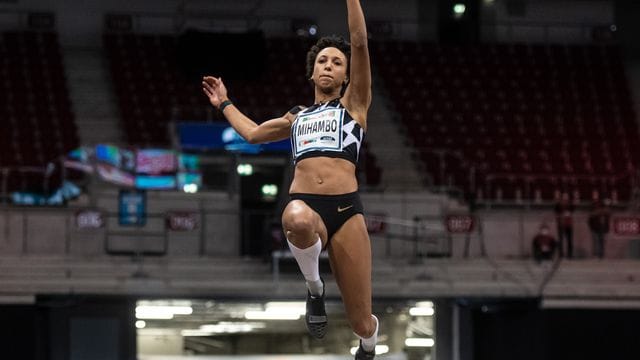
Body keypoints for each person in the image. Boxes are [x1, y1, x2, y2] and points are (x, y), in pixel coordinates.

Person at [202, 1, 378, 358]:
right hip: (307, 206)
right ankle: (315, 288)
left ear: (347, 76)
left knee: (360, 321)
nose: (329, 65)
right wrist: (224, 103)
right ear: (311, 74)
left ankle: (370, 344)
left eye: (337, 62)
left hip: (346, 211)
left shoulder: (354, 105)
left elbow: (359, 40)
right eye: (322, 62)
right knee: (295, 217)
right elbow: (251, 134)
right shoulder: (296, 117)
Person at [554, 191, 574, 258]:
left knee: (569, 240)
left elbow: (572, 210)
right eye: (564, 196)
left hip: (569, 224)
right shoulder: (558, 204)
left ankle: (570, 255)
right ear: (562, 197)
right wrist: (561, 215)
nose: (566, 197)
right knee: (560, 240)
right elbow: (556, 213)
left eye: (567, 196)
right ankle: (561, 254)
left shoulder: (570, 204)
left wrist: (568, 213)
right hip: (561, 224)